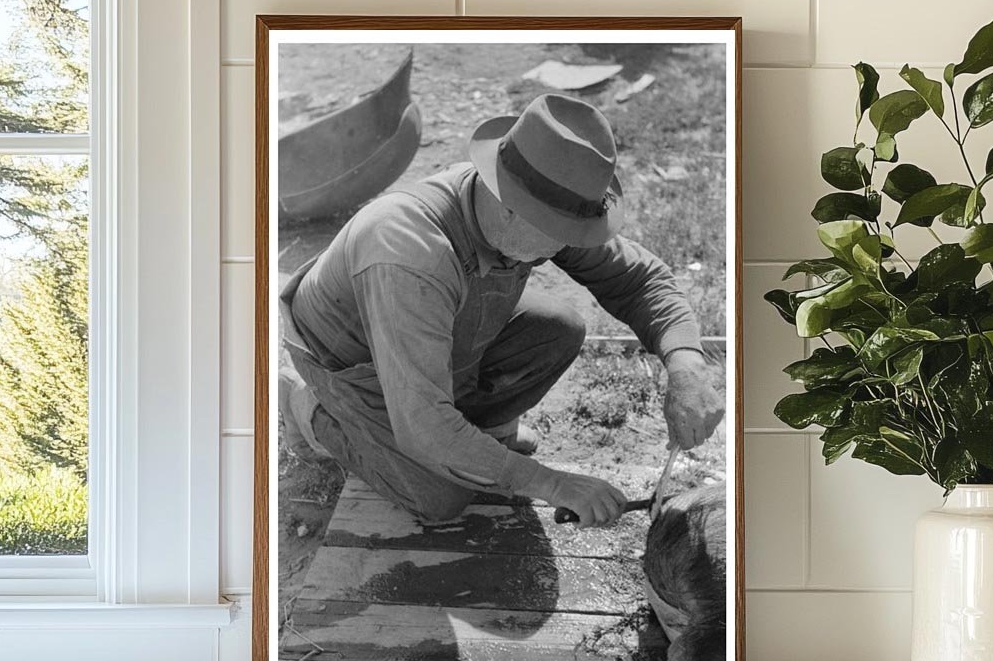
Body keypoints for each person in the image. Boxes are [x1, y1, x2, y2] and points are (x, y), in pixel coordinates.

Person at [279, 92, 724, 528]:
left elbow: (641, 279)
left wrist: (686, 366)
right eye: (562, 232)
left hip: (428, 331)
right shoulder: (408, 251)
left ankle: (478, 440)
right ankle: (308, 407)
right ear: (511, 208)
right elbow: (424, 427)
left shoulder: (535, 202)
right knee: (439, 497)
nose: (570, 244)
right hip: (351, 364)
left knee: (557, 329)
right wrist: (551, 484)